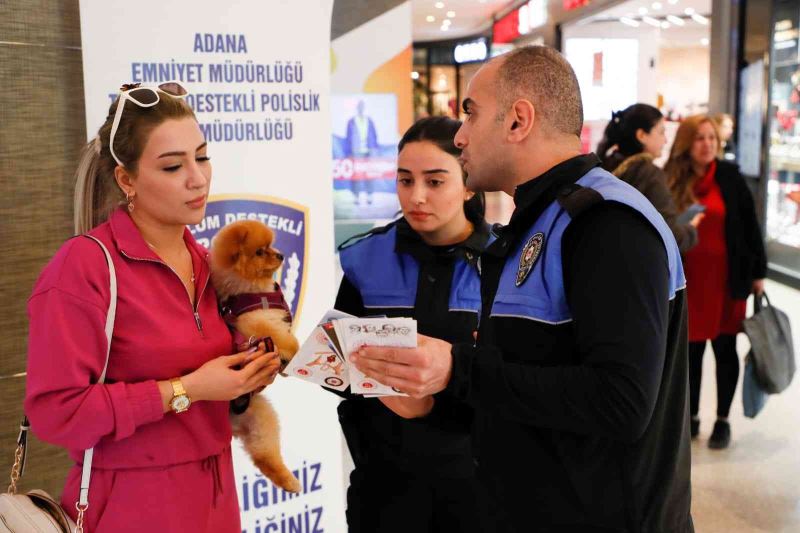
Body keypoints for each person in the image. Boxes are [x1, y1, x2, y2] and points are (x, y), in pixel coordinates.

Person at [351, 45, 694, 533]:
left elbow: (621, 400)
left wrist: (458, 370)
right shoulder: (536, 221)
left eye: (470, 114)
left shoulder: (606, 224)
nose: (462, 136)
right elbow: (531, 377)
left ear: (518, 121)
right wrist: (439, 390)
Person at [24, 82, 281, 532]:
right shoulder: (83, 266)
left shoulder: (206, 262)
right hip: (132, 507)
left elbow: (213, 381)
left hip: (216, 498)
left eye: (201, 157)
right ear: (126, 179)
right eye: (172, 166)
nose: (197, 178)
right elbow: (57, 415)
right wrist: (187, 389)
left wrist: (248, 375)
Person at [335, 116, 491, 533]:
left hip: (482, 491)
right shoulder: (365, 260)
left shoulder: (506, 265)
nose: (416, 196)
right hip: (384, 489)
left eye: (435, 181)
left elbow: (521, 377)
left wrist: (434, 403)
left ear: (469, 183)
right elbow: (336, 360)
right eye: (405, 180)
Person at [665, 114, 767, 449]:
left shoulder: (730, 177)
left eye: (712, 138)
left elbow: (751, 226)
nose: (707, 144)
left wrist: (758, 273)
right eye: (699, 138)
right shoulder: (670, 179)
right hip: (689, 282)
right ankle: (690, 417)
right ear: (685, 143)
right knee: (690, 352)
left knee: (725, 350)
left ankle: (722, 420)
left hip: (727, 280)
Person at [597, 103, 702, 252]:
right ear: (641, 135)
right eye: (661, 132)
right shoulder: (649, 174)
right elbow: (671, 237)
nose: (665, 140)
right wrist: (691, 229)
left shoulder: (604, 165)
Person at [345, 99, 380, 204]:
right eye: (359, 106)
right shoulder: (351, 121)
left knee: (369, 173)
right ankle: (356, 196)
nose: (361, 108)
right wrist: (349, 153)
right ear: (357, 108)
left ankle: (369, 195)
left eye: (362, 106)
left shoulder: (369, 120)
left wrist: (375, 149)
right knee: (356, 174)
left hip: (369, 151)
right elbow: (348, 138)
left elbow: (374, 135)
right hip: (356, 151)